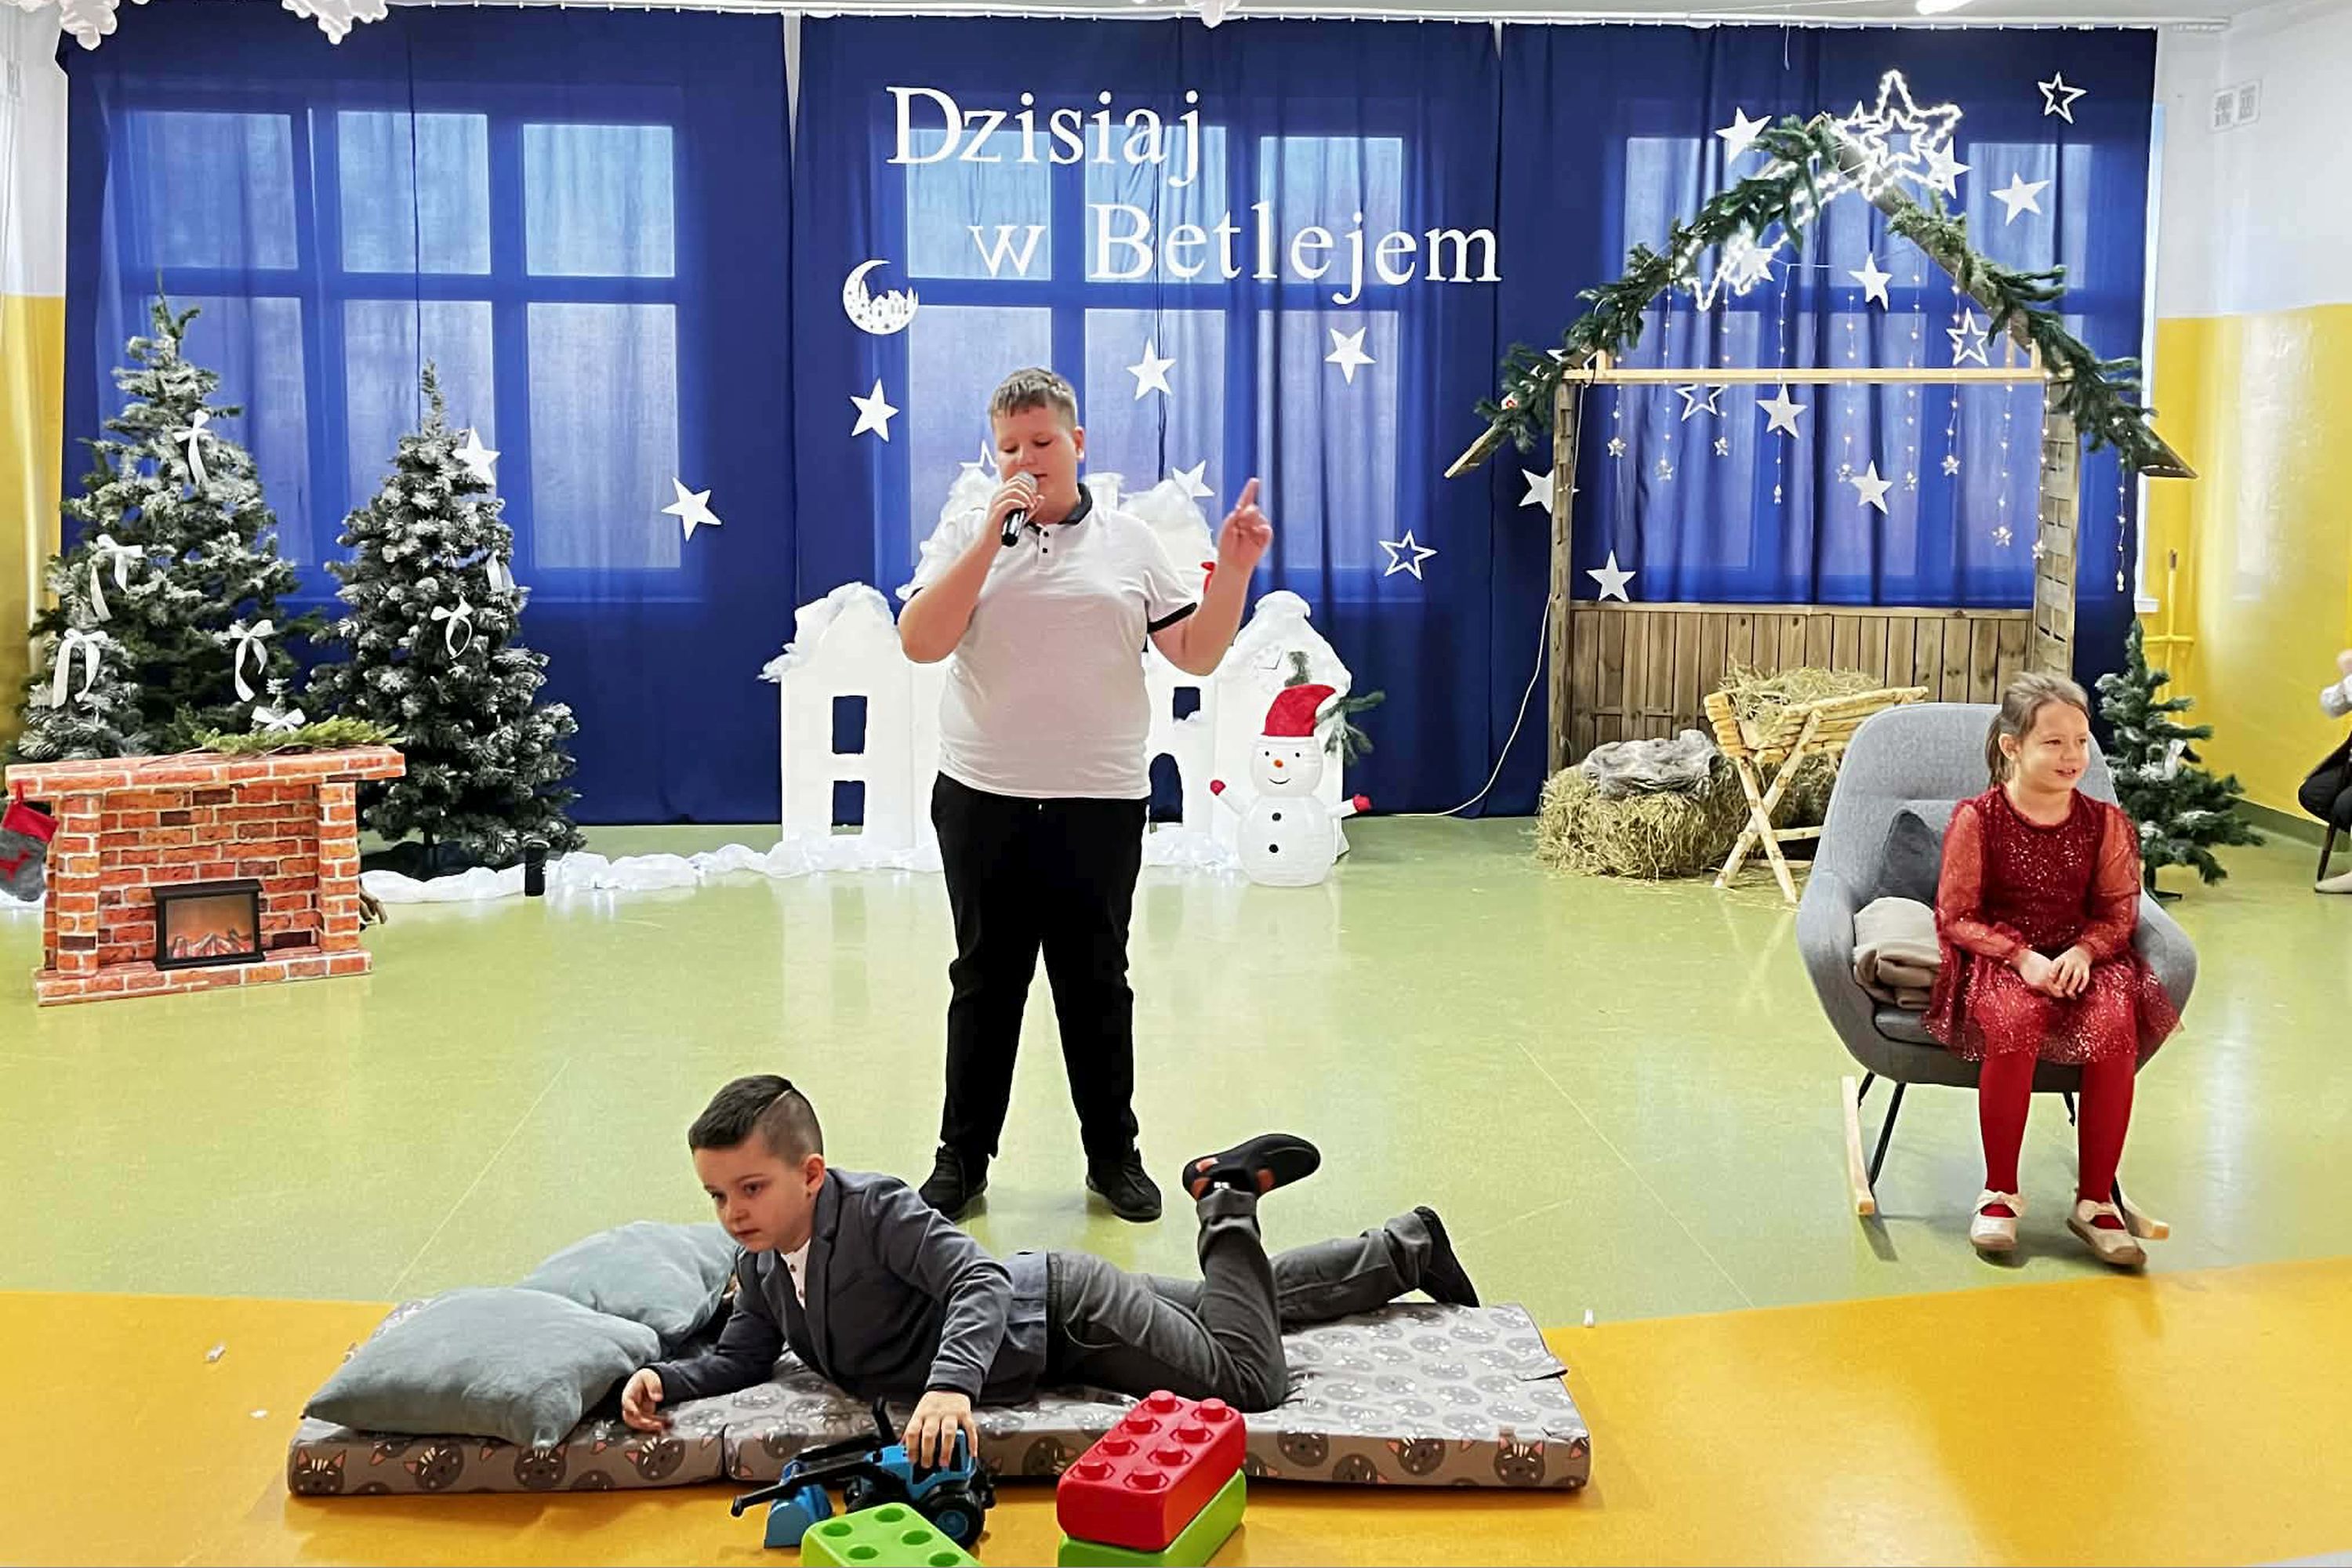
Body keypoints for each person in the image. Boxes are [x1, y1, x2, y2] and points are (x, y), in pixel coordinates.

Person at [619, 1076, 1479, 1464]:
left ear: (810, 1173)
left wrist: (949, 1386)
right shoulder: (764, 1264)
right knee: (1235, 1309)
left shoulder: (873, 1208)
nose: (733, 1212)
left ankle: (1225, 1198)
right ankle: (1407, 1248)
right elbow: (743, 1354)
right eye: (718, 1195)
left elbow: (978, 1281)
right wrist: (668, 1378)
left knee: (1249, 1380)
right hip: (1057, 1301)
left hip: (1068, 1316)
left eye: (752, 1188)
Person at [895, 367, 1272, 1223]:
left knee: (1095, 982)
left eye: (1042, 442)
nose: (1026, 460)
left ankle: (1113, 1156)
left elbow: (1196, 654)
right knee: (985, 981)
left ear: (1078, 442)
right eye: (1009, 448)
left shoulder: (1131, 542)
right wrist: (986, 543)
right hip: (983, 798)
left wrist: (1235, 570)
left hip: (1098, 805)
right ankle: (962, 1160)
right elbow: (920, 642)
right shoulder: (967, 530)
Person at [1924, 673, 2182, 1267]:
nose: (2073, 756)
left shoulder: (2105, 823)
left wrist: (2085, 952)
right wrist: (2022, 957)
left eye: (2082, 742)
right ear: (2012, 747)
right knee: (2014, 1020)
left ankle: (2095, 1200)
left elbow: (2119, 911)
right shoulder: (1978, 819)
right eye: (2054, 743)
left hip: (2081, 957)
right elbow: (1957, 915)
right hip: (2005, 957)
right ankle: (1999, 1192)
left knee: (2114, 1024)